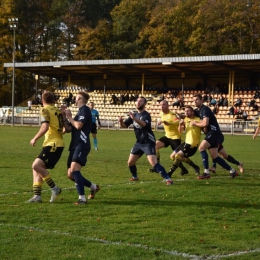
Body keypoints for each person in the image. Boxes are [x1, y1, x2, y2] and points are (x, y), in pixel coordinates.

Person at [118, 97, 173, 185]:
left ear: (144, 104)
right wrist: (121, 122)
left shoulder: (146, 115)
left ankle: (168, 179)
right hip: (139, 142)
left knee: (153, 163)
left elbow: (144, 124)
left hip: (148, 142)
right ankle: (135, 177)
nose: (138, 102)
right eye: (137, 101)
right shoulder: (134, 115)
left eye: (141, 101)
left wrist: (134, 119)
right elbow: (124, 126)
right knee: (130, 162)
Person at [63, 91, 100, 205]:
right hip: (74, 145)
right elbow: (69, 128)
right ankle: (93, 187)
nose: (74, 99)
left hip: (82, 144)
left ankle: (82, 199)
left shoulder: (85, 109)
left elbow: (78, 126)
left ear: (79, 98)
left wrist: (69, 116)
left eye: (75, 97)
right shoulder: (79, 112)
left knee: (74, 170)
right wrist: (64, 117)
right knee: (70, 174)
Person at [190, 94, 238, 179]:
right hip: (213, 133)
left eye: (197, 99)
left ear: (201, 100)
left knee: (201, 148)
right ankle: (233, 171)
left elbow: (205, 123)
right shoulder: (199, 110)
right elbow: (190, 114)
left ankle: (206, 172)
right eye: (194, 100)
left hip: (213, 132)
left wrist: (195, 123)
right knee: (215, 156)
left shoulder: (205, 109)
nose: (195, 101)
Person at [27, 91, 64, 203]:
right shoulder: (58, 111)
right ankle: (37, 196)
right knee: (36, 168)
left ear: (42, 100)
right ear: (53, 100)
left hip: (52, 144)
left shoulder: (45, 110)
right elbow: (64, 129)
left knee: (36, 165)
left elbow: (45, 127)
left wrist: (35, 138)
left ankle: (55, 188)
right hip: (57, 143)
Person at [149, 100, 190, 175]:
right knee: (155, 146)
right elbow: (163, 120)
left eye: (164, 105)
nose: (162, 106)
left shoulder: (172, 115)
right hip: (167, 136)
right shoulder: (161, 113)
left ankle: (187, 168)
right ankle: (157, 167)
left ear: (168, 106)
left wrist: (169, 123)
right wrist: (161, 121)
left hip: (175, 137)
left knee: (176, 156)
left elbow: (177, 121)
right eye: (161, 105)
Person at [167, 106, 201, 177]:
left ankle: (170, 173)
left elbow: (204, 125)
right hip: (186, 142)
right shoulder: (185, 119)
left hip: (192, 144)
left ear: (192, 112)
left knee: (178, 156)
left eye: (188, 111)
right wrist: (180, 124)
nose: (186, 112)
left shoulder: (197, 120)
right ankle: (193, 167)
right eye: (185, 111)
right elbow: (180, 131)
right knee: (172, 156)